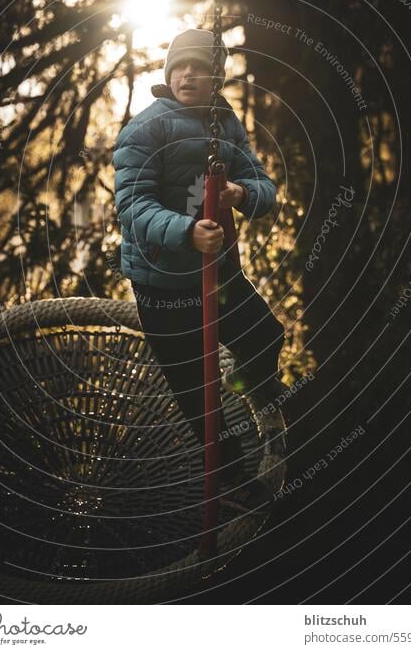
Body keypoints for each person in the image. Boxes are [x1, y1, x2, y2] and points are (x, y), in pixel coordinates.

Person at [113, 28, 287, 511]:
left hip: (220, 272)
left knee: (265, 336)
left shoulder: (225, 122)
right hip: (163, 283)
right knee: (198, 391)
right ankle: (233, 480)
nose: (189, 73)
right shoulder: (145, 128)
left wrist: (243, 194)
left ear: (216, 77)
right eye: (180, 65)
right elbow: (132, 206)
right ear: (168, 73)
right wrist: (186, 233)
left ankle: (265, 406)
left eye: (201, 67)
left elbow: (261, 181)